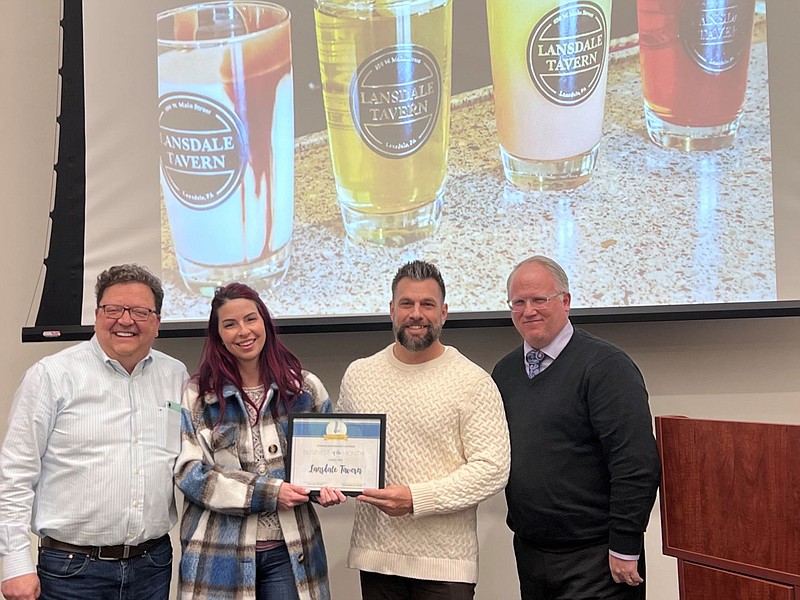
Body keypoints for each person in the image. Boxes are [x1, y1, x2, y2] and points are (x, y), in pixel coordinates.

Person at [0, 264, 189, 600]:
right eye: (113, 309)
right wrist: (15, 564)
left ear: (157, 322)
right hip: (72, 571)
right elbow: (15, 473)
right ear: (97, 315)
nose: (126, 320)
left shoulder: (176, 375)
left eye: (140, 312)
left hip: (152, 566)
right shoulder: (51, 376)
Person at [338, 260, 510, 600]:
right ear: (392, 310)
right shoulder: (359, 375)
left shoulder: (472, 381)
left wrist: (417, 499)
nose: (416, 313)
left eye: (427, 304)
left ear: (443, 313)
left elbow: (493, 470)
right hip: (377, 559)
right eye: (407, 303)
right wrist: (327, 485)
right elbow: (345, 456)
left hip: (445, 567)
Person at [492, 256, 661, 600]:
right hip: (532, 554)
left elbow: (635, 461)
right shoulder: (505, 372)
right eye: (518, 302)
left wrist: (626, 545)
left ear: (566, 302)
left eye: (540, 300)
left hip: (597, 560)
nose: (529, 311)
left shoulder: (606, 367)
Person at [174, 283, 344, 600]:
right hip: (218, 556)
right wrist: (270, 492)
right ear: (218, 334)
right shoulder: (199, 395)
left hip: (292, 553)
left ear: (264, 321)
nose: (243, 331)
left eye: (250, 319)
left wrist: (328, 487)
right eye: (230, 324)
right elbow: (190, 473)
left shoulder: (305, 388)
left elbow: (328, 459)